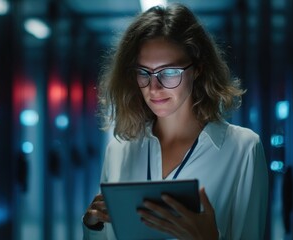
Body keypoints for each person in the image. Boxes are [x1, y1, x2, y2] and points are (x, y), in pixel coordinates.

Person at [82, 3, 268, 240]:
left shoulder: (243, 149)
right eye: (144, 72)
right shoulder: (119, 150)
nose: (154, 87)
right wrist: (92, 224)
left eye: (169, 72)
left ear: (198, 69)